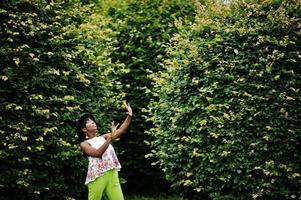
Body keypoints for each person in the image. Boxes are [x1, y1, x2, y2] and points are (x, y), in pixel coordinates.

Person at [76, 102, 132, 200]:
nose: (93, 122)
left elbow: (120, 131)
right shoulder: (84, 144)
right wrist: (110, 138)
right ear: (84, 129)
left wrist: (129, 115)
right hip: (97, 176)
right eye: (89, 121)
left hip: (112, 173)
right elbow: (97, 153)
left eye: (93, 120)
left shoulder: (103, 137)